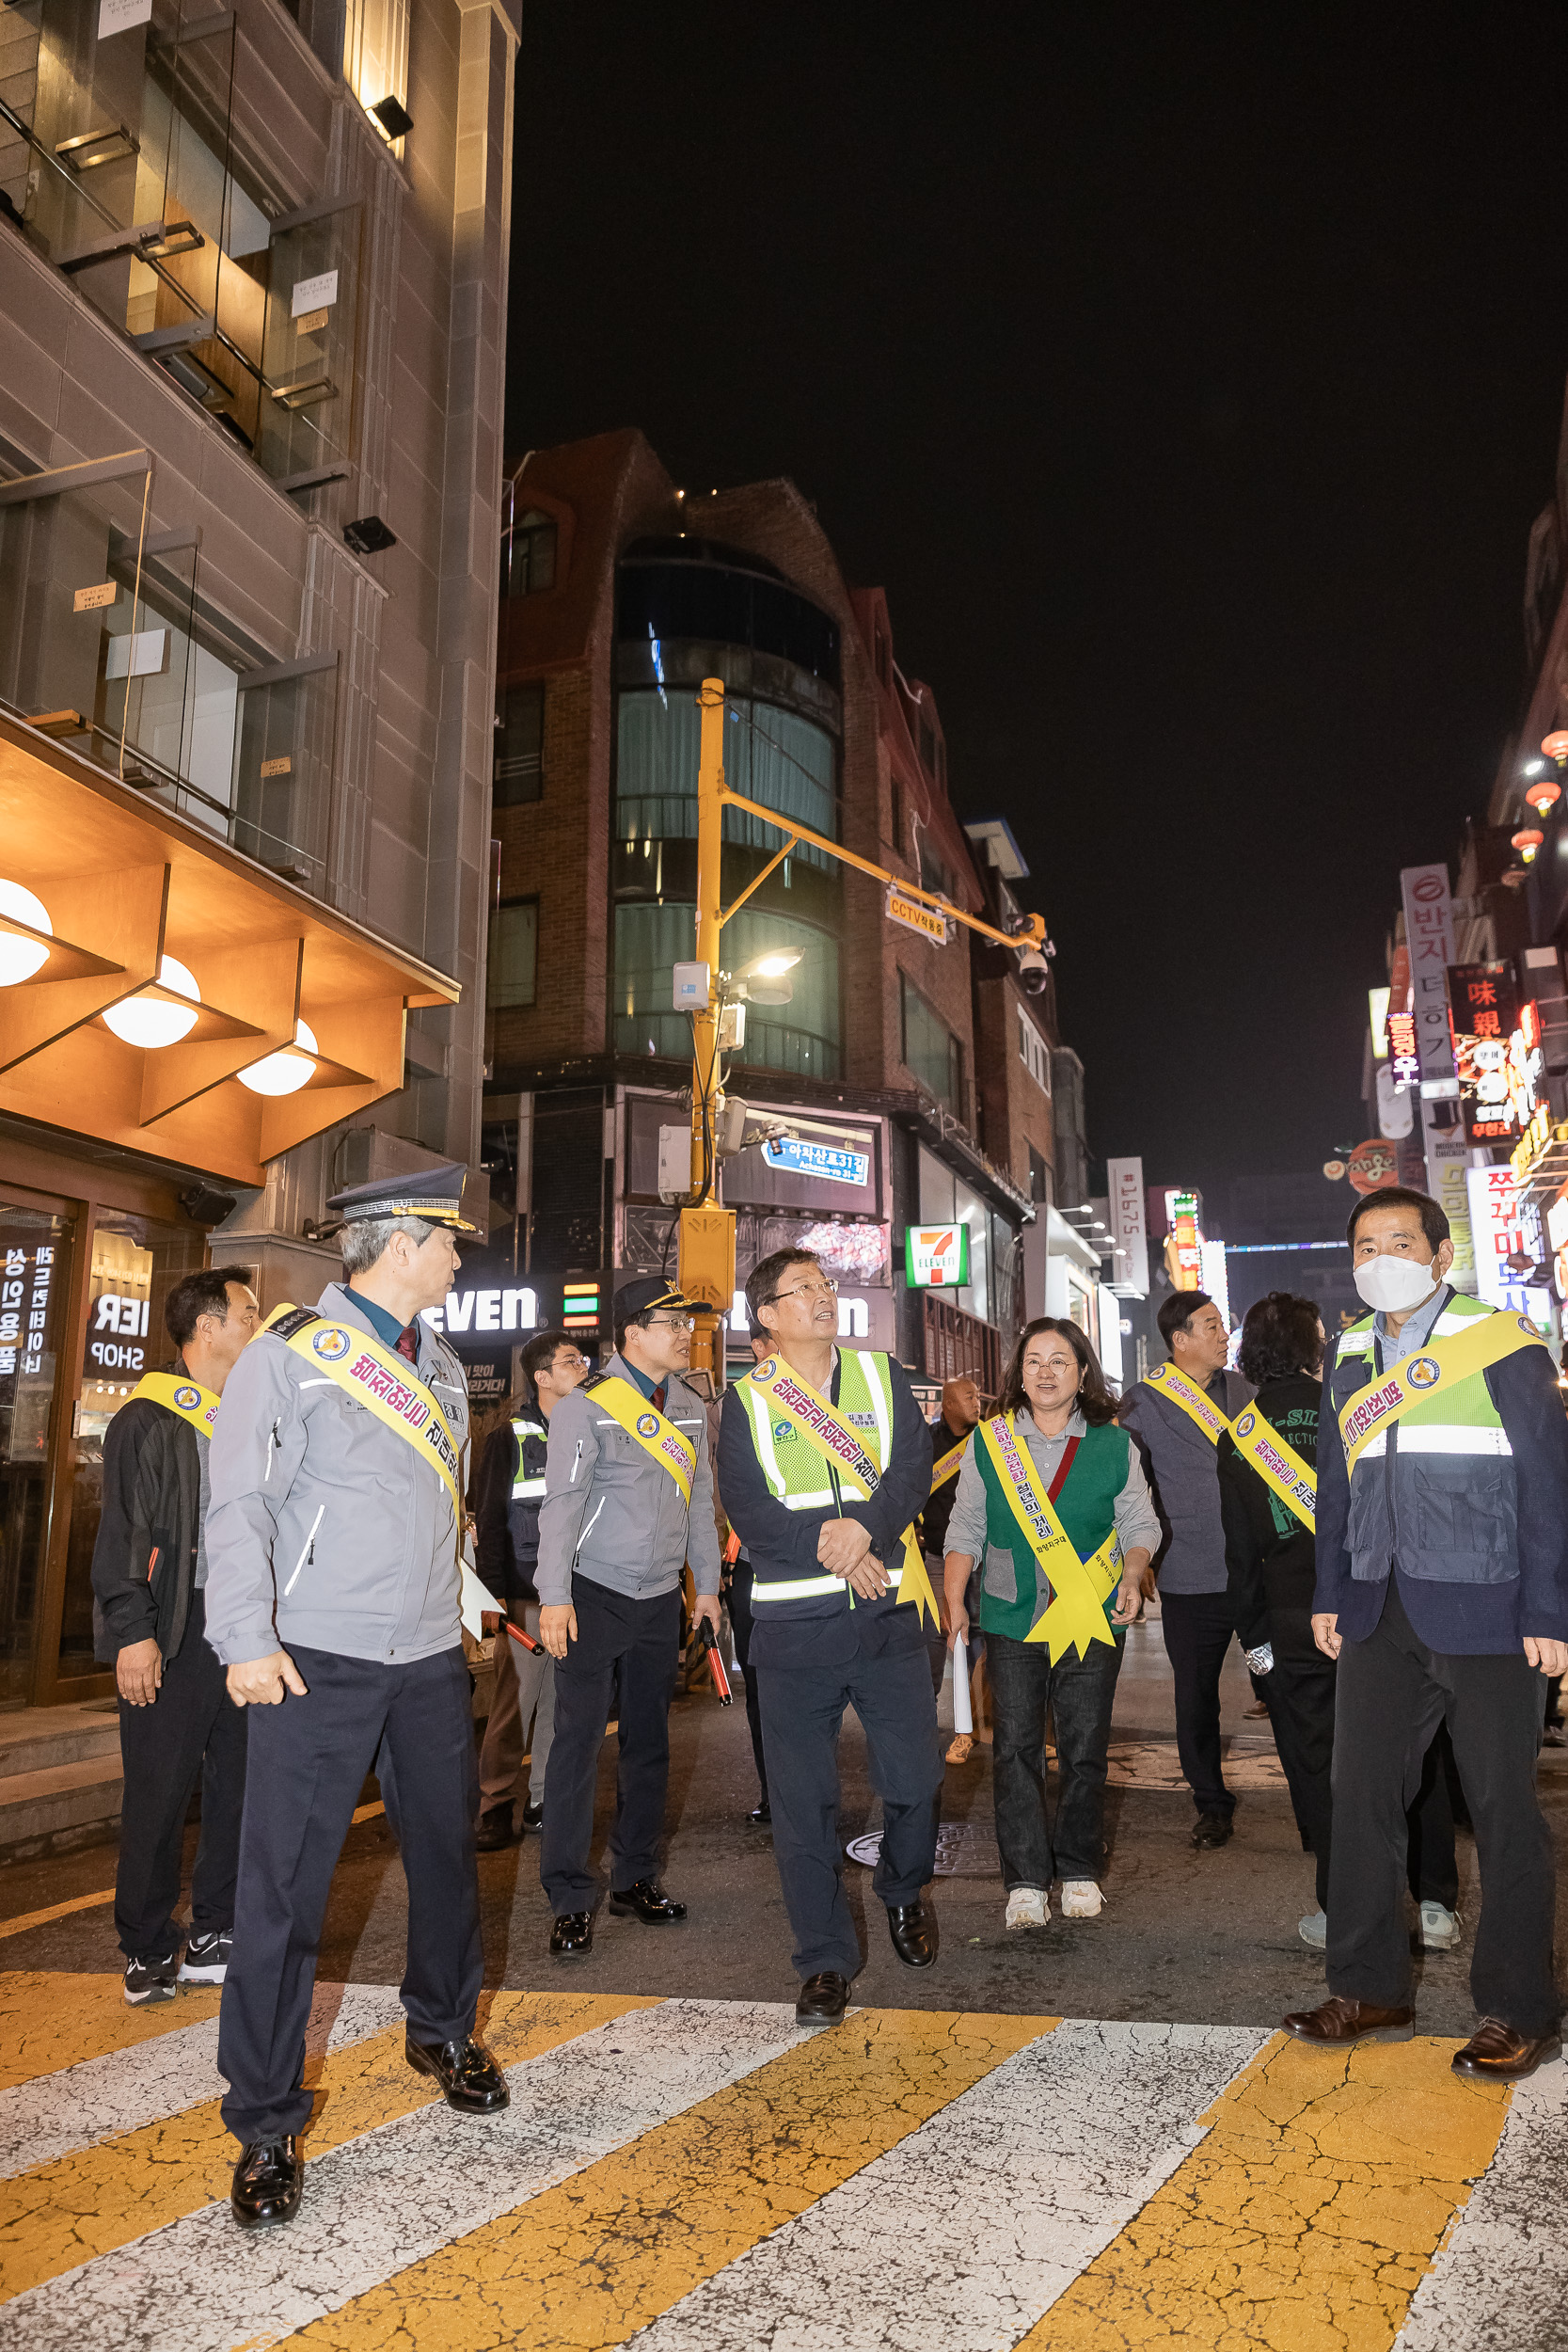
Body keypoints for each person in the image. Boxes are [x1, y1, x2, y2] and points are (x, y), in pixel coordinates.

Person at [206, 1164, 507, 2233]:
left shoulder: (439, 1363)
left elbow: (434, 1510)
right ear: (395, 1243)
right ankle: (265, 2122)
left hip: (427, 1657)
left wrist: (460, 1598)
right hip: (313, 1660)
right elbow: (239, 1501)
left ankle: (442, 2026)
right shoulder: (288, 1354)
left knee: (445, 1858)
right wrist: (243, 1637)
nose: (460, 1258)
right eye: (448, 1241)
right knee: (282, 1894)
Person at [1283, 1185, 1568, 2080]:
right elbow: (1335, 1486)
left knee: (1502, 1813)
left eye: (1397, 1240)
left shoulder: (1502, 1344)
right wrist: (1329, 1591)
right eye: (1364, 1245)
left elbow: (1547, 1487)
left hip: (1487, 1608)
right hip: (1376, 1607)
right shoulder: (1352, 1355)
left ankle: (1519, 2010)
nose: (1379, 1258)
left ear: (1440, 1256)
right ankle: (1368, 1989)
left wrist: (1549, 1611)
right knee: (1359, 1800)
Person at [718, 1246, 940, 2029]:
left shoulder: (882, 1378)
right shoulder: (746, 1401)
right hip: (792, 1632)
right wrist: (837, 1547)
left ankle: (902, 1891)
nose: (821, 1296)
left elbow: (912, 1473)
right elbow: (748, 1507)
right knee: (802, 1807)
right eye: (802, 1289)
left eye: (825, 1284)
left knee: (914, 1784)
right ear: (768, 1315)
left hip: (887, 1623)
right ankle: (822, 1960)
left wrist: (867, 1528)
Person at [1218, 1289, 1461, 1952]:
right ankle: (1434, 1901)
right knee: (1414, 1752)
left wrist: (1255, 1648)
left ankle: (1340, 1908)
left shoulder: (1237, 1435)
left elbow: (1238, 1554)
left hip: (1291, 1623)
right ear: (1310, 1346)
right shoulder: (1353, 1408)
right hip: (1374, 1605)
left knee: (1318, 1766)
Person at [943, 1317, 1158, 1926]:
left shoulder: (1114, 1445)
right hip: (1011, 1618)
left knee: (1085, 1750)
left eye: (1058, 1360)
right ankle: (1025, 1882)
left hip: (1090, 1618)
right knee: (1013, 1751)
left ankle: (1080, 1869)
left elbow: (1140, 1525)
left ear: (1081, 1372)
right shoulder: (990, 1442)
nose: (1044, 1371)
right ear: (1018, 1372)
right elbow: (966, 1529)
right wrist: (956, 1600)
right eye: (1033, 1359)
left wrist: (1131, 1571)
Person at [534, 1277, 721, 1957]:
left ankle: (634, 1877)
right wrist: (553, 1595)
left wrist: (706, 1587)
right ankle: (569, 1894)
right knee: (577, 1747)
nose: (684, 1332)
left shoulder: (694, 1405)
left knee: (649, 1744)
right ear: (631, 1334)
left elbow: (700, 1501)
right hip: (590, 1595)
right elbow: (561, 1505)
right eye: (670, 1322)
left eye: (685, 1321)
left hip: (657, 1599)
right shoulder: (585, 1409)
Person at [91, 1268, 261, 2005]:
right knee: (158, 1792)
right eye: (248, 1312)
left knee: (238, 1785)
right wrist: (134, 1632)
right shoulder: (148, 1418)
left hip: (240, 1629)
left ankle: (216, 1928)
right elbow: (123, 1534)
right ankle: (145, 1940)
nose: (257, 1323)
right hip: (171, 1630)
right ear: (208, 1327)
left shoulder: (249, 1414)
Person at [1119, 1290, 1254, 1848]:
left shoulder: (1247, 1392)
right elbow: (1126, 1487)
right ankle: (1211, 1804)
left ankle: (1314, 1794)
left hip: (1253, 1576)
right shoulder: (1143, 1403)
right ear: (1180, 1340)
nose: (1224, 1336)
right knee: (1195, 1696)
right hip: (1187, 1579)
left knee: (1280, 1682)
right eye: (1212, 1326)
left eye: (1223, 1326)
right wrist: (1136, 1558)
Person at [471, 1327, 590, 1849]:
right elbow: (492, 1517)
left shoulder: (593, 1428)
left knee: (563, 1704)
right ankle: (494, 1803)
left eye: (582, 1358)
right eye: (569, 1361)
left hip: (580, 1591)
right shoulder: (509, 1437)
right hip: (525, 1593)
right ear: (541, 1376)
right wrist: (493, 1594)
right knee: (513, 1704)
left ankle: (542, 1799)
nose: (581, 1367)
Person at [707, 1329, 775, 1826]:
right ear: (759, 1346)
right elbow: (712, 1490)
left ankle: (812, 1791)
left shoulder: (835, 1398)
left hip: (828, 1569)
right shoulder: (733, 1407)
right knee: (762, 1685)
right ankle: (775, 1790)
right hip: (753, 1568)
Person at [923, 1375, 985, 1757]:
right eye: (968, 1397)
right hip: (936, 1561)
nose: (977, 1402)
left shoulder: (993, 1439)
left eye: (978, 1396)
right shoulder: (928, 1445)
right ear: (947, 1405)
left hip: (985, 1559)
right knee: (932, 1645)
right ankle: (924, 1728)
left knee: (981, 1643)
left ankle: (974, 1726)